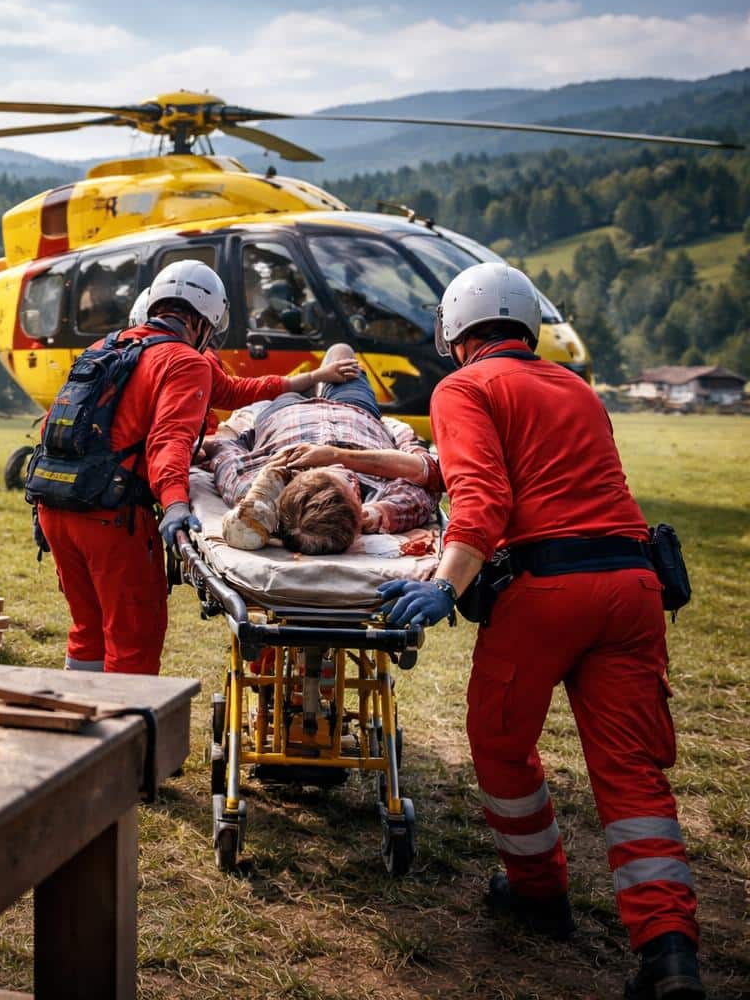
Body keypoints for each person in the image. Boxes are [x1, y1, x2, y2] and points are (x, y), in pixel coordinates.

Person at [378, 262, 702, 1000]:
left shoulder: (461, 387)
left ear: (456, 330)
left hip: (547, 593)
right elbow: (500, 470)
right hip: (632, 587)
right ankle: (670, 954)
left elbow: (483, 496)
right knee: (632, 771)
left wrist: (444, 585)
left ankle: (538, 892)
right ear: (524, 326)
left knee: (499, 741)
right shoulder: (575, 389)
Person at [36, 260, 357, 676]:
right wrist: (173, 503)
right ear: (204, 320)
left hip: (55, 506)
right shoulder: (183, 361)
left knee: (88, 627)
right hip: (111, 519)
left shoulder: (107, 348)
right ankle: (123, 737)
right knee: (133, 639)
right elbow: (169, 440)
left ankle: (78, 727)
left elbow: (234, 390)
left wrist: (313, 376)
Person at [203, 342, 442, 553]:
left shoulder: (256, 487)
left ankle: (309, 383)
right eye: (343, 476)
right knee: (341, 351)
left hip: (286, 414)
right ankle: (314, 381)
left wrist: (240, 438)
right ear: (356, 504)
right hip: (354, 412)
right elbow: (424, 476)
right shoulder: (388, 498)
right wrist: (378, 513)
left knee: (289, 390)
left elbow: (224, 449)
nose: (333, 464)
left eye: (321, 470)